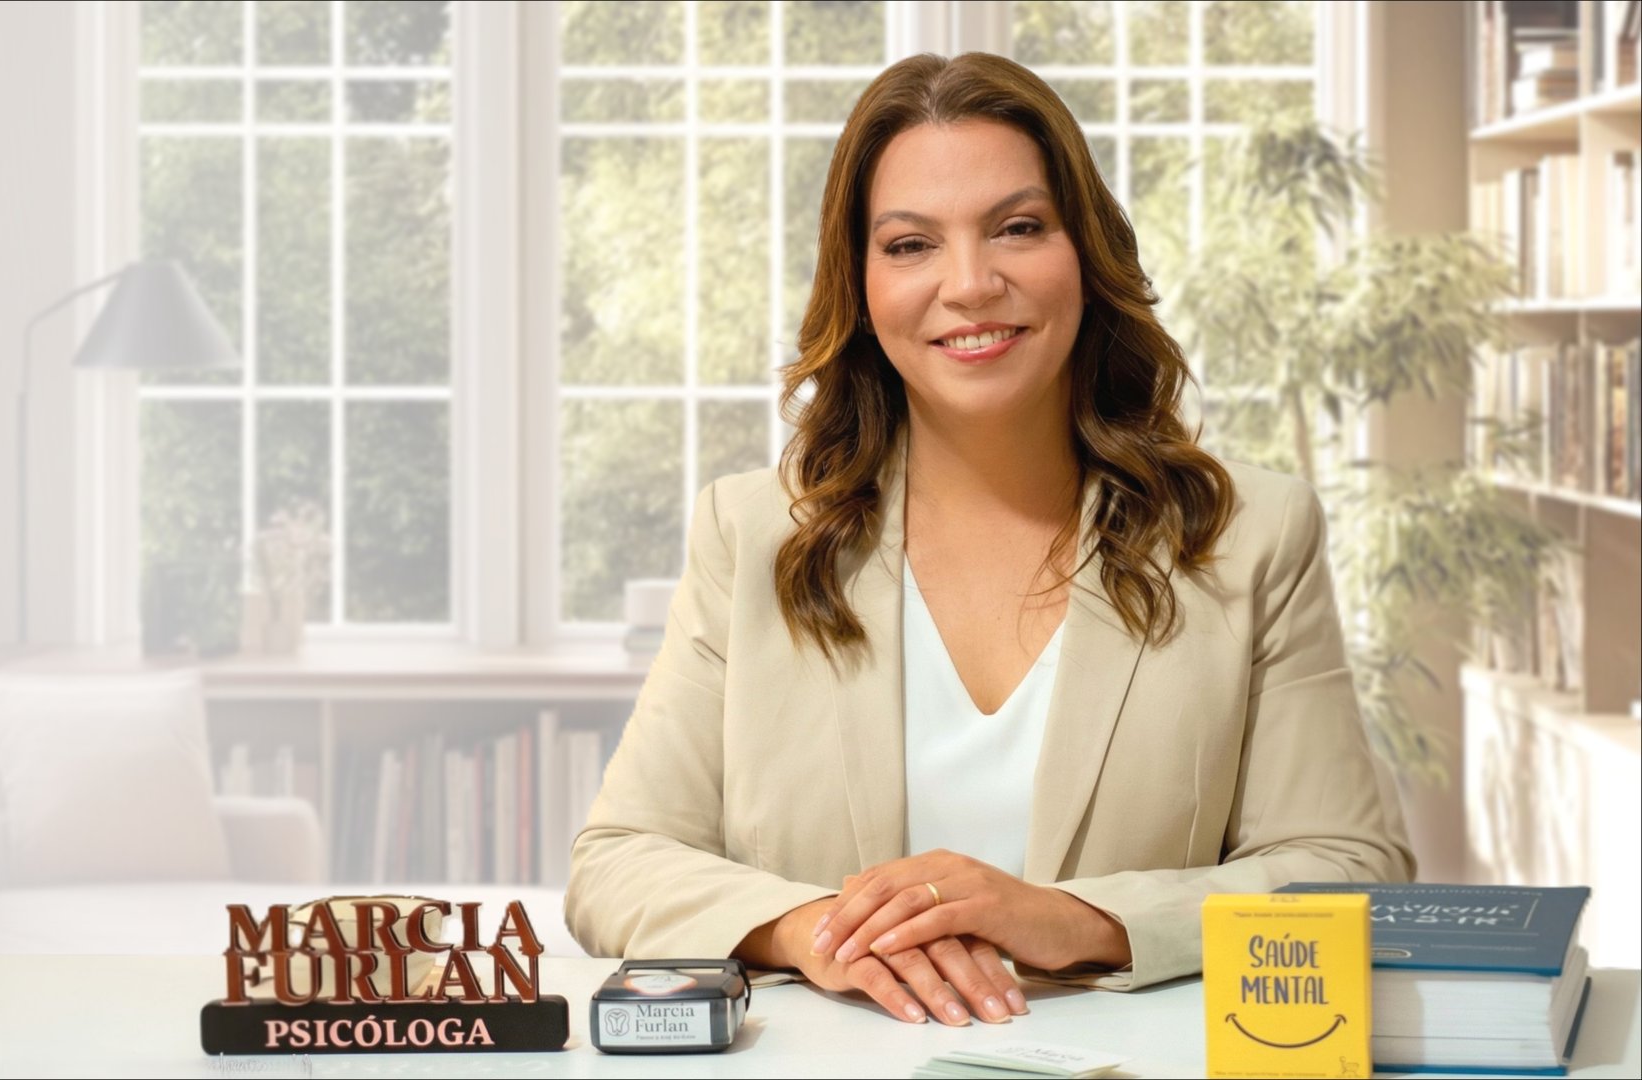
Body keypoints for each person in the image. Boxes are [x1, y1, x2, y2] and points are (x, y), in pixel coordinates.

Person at [563, 51, 1414, 1027]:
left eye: (1017, 228)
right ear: (862, 284)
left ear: (1086, 256)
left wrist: (1081, 920)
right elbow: (619, 860)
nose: (970, 284)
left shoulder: (1252, 539)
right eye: (911, 244)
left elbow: (1348, 874)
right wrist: (814, 932)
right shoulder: (751, 536)